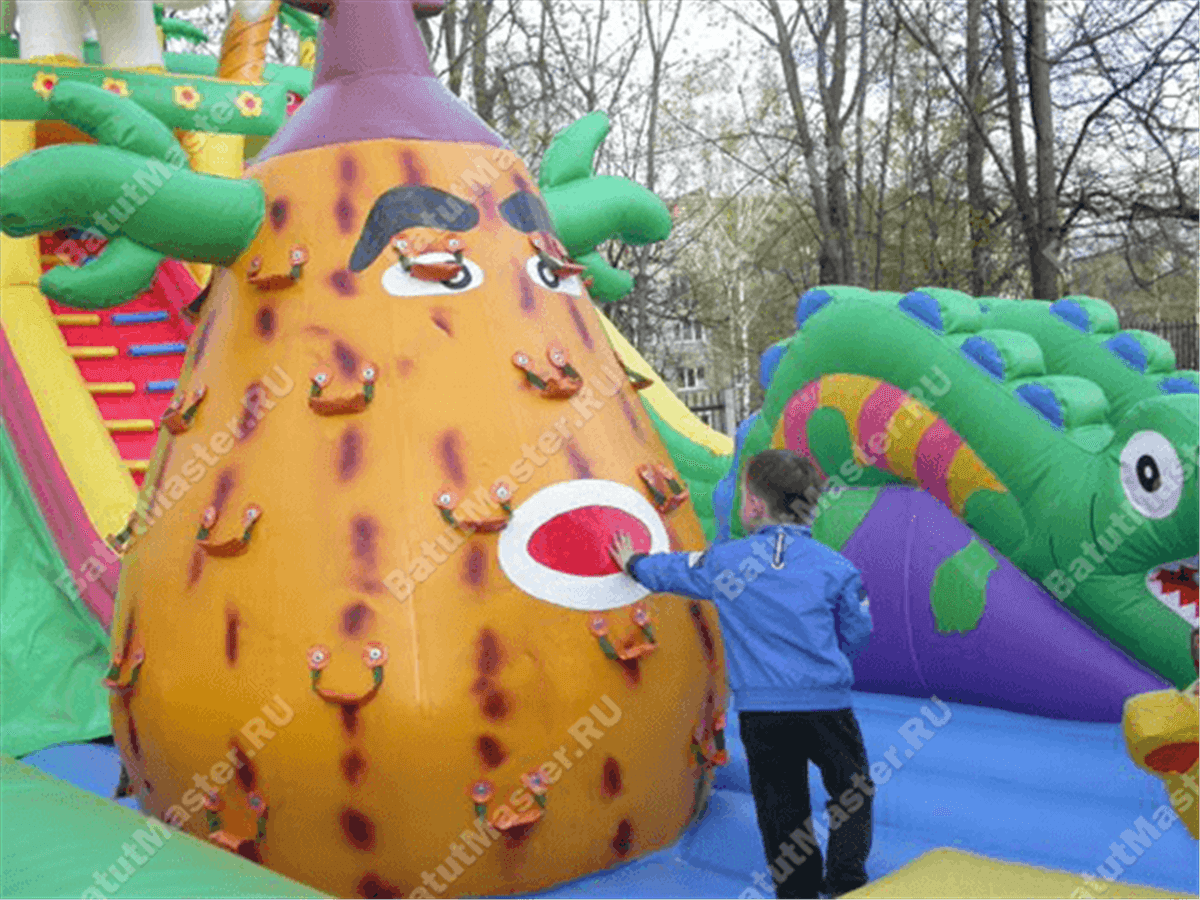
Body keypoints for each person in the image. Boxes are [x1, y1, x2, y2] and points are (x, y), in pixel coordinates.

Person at [610, 449, 874, 899]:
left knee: (781, 805)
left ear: (753, 505)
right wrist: (832, 663)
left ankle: (797, 890)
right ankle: (846, 882)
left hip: (763, 712)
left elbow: (672, 570)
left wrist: (633, 562)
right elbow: (858, 632)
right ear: (811, 506)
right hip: (826, 705)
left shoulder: (726, 562)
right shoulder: (836, 567)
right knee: (852, 791)